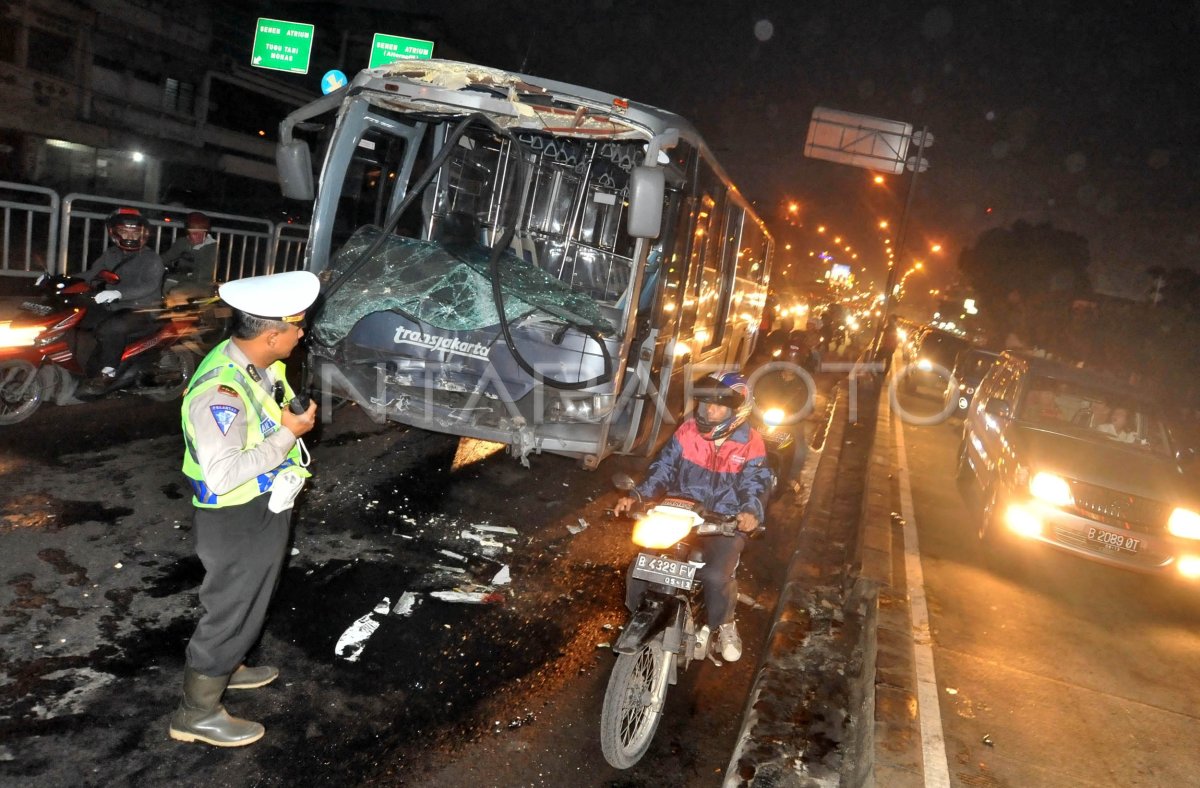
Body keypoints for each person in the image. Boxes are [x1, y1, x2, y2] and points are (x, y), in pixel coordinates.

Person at [170, 270, 319, 748]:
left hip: (260, 505)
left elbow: (270, 400)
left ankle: (228, 667)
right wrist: (289, 434)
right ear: (271, 334)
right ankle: (197, 714)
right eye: (297, 326)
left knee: (250, 601)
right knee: (231, 611)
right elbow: (223, 473)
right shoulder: (221, 393)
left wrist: (283, 417)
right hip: (237, 516)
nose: (302, 333)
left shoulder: (257, 359)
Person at [613, 372, 772, 664]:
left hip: (723, 522)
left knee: (714, 576)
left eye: (718, 406)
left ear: (736, 410)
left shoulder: (751, 442)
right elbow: (662, 468)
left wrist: (749, 513)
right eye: (705, 404)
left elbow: (756, 483)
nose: (709, 411)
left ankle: (723, 623)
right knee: (642, 564)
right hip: (679, 513)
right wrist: (637, 496)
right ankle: (641, 615)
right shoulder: (687, 432)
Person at [77, 208, 165, 395]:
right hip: (114, 305)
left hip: (142, 309)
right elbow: (91, 275)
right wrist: (59, 280)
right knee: (81, 319)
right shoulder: (111, 254)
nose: (130, 235)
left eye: (134, 232)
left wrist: (118, 293)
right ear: (115, 233)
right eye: (125, 231)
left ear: (143, 234)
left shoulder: (152, 258)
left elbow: (149, 286)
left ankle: (108, 372)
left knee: (111, 328)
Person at [162, 212, 219, 306]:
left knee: (176, 292)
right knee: (160, 286)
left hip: (203, 284)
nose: (196, 236)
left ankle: (181, 317)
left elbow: (202, 275)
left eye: (200, 233)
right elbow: (166, 257)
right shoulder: (183, 242)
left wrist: (196, 249)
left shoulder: (212, 247)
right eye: (193, 233)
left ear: (206, 232)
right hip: (182, 279)